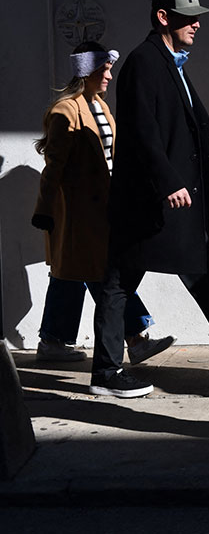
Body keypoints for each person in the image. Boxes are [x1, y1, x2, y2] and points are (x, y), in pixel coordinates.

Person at [91, 0, 209, 398]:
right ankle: (106, 373)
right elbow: (141, 131)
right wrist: (168, 181)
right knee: (118, 282)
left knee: (203, 276)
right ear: (163, 17)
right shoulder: (144, 62)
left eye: (198, 17)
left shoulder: (172, 63)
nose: (197, 24)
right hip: (150, 203)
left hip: (182, 203)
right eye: (188, 17)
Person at [32, 42, 174, 364]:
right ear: (87, 72)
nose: (109, 75)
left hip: (103, 209)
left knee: (74, 274)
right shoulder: (65, 110)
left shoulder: (100, 106)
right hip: (79, 213)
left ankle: (53, 340)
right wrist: (44, 210)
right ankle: (135, 338)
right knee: (103, 274)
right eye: (104, 70)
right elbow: (54, 167)